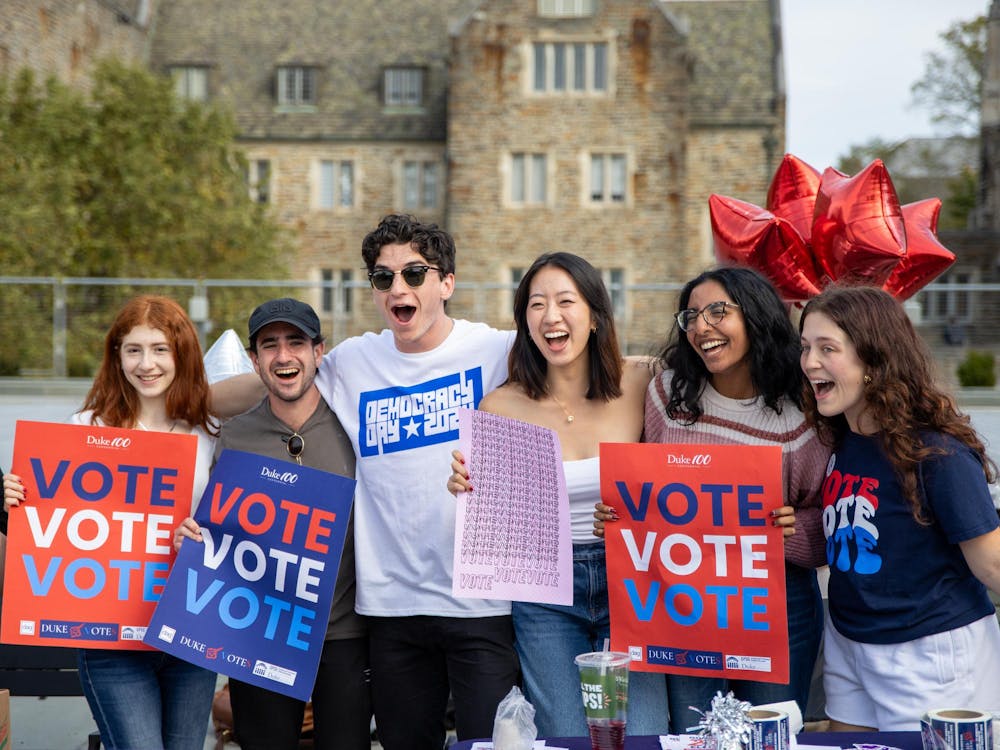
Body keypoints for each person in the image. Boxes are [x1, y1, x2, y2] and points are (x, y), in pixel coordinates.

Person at [213, 215, 519, 750]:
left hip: (480, 606)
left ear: (446, 283)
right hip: (391, 611)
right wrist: (173, 397)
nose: (398, 288)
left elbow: (581, 371)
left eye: (414, 274)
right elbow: (276, 378)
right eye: (383, 278)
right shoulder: (354, 360)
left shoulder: (496, 351)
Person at [595, 266, 828, 732]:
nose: (701, 326)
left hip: (775, 607)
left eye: (718, 311)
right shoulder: (666, 395)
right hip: (681, 609)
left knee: (770, 734)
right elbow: (643, 488)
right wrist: (617, 515)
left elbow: (827, 517)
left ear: (757, 317)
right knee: (695, 736)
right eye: (692, 316)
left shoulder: (801, 413)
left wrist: (791, 532)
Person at [447, 252, 670, 737]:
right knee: (566, 736)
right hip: (545, 593)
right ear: (524, 322)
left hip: (634, 582)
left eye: (566, 301)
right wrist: (466, 489)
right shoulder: (500, 405)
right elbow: (492, 514)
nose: (551, 316)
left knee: (646, 735)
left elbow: (688, 461)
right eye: (536, 304)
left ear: (594, 315)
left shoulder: (644, 381)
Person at [3, 295, 219, 750]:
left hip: (188, 637)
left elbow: (230, 532)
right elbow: (46, 528)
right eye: (134, 349)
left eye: (161, 348)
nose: (147, 363)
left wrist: (200, 538)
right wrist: (12, 503)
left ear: (181, 353)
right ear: (116, 356)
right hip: (113, 643)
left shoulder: (210, 434)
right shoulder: (85, 428)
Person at [799, 284, 1000, 731]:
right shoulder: (841, 438)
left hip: (930, 650)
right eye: (806, 346)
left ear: (874, 360)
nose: (810, 362)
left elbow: (993, 564)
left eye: (828, 348)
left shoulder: (936, 451)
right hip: (850, 638)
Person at [176, 298, 372, 749]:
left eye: (296, 343)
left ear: (319, 352)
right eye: (270, 345)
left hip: (344, 632)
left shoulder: (352, 420)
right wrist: (195, 538)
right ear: (254, 360)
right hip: (260, 632)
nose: (284, 356)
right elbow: (214, 526)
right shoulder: (233, 433)